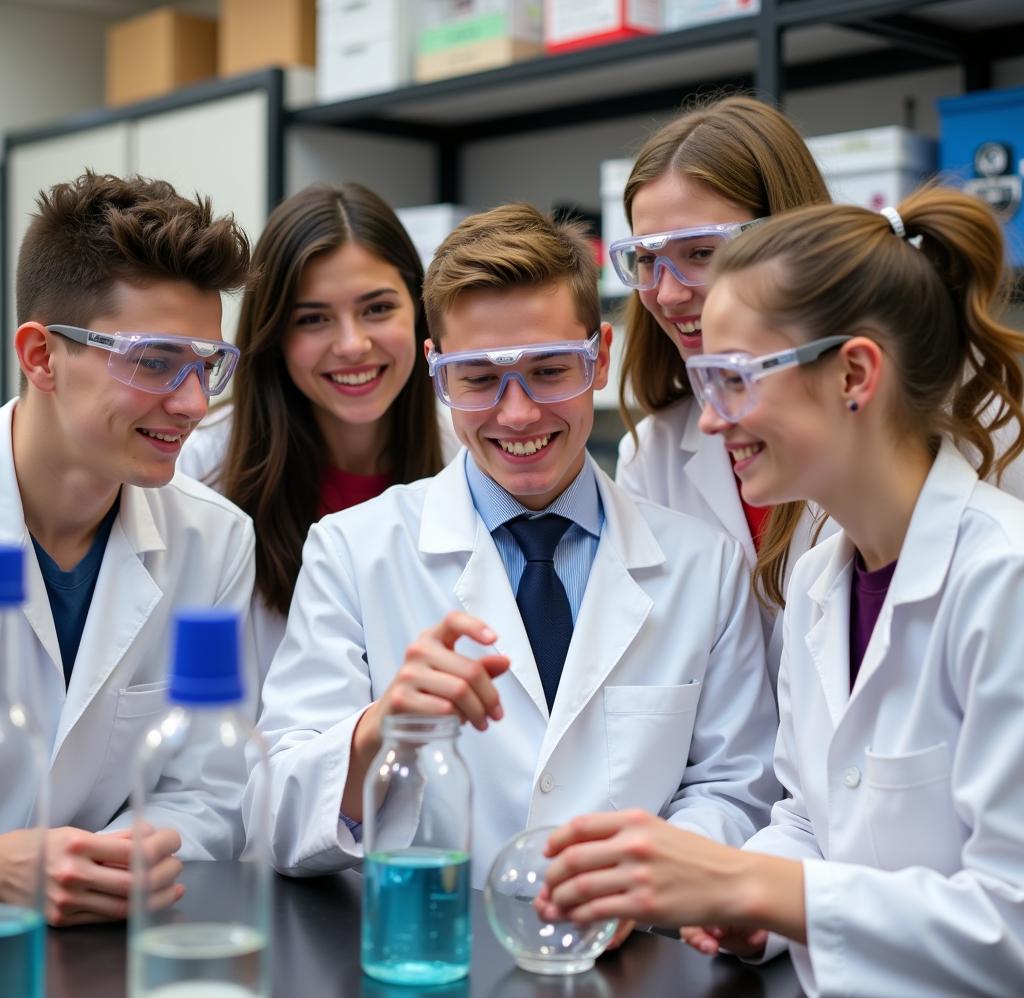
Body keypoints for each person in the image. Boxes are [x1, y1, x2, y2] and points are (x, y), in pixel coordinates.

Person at [537, 187, 1024, 998]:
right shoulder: (817, 576)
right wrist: (736, 903)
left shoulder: (1003, 579)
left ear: (854, 375)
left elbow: (1012, 933)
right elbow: (807, 816)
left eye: (735, 379)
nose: (713, 420)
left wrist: (754, 886)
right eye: (706, 380)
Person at [248, 203, 779, 902]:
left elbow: (737, 791)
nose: (518, 413)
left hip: (633, 963)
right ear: (437, 373)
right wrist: (380, 729)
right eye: (478, 379)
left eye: (551, 370)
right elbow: (271, 820)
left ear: (602, 358)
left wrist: (647, 875)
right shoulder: (353, 551)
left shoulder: (702, 565)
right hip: (434, 962)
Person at [0, 171, 256, 926]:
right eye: (153, 360)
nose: (191, 402)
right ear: (42, 356)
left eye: (205, 363)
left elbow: (211, 787)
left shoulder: (213, 540)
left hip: (112, 939)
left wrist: (98, 866)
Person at [179, 183, 460, 679]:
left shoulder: (465, 452)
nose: (353, 345)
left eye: (377, 308)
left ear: (419, 311)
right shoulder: (201, 473)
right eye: (313, 319)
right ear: (275, 335)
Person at [612, 96, 833, 674]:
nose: (667, 292)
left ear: (786, 237)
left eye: (702, 253)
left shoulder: (920, 412)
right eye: (647, 259)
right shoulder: (651, 454)